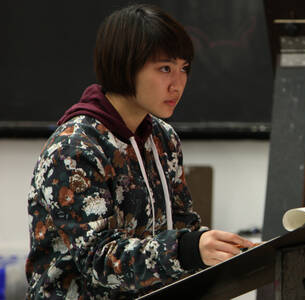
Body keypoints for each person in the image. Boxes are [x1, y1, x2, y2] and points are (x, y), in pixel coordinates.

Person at [25, 4, 253, 299]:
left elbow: (182, 225)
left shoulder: (162, 138)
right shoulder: (74, 149)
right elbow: (98, 260)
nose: (178, 83)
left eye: (184, 68)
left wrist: (221, 250)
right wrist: (187, 250)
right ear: (126, 65)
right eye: (165, 68)